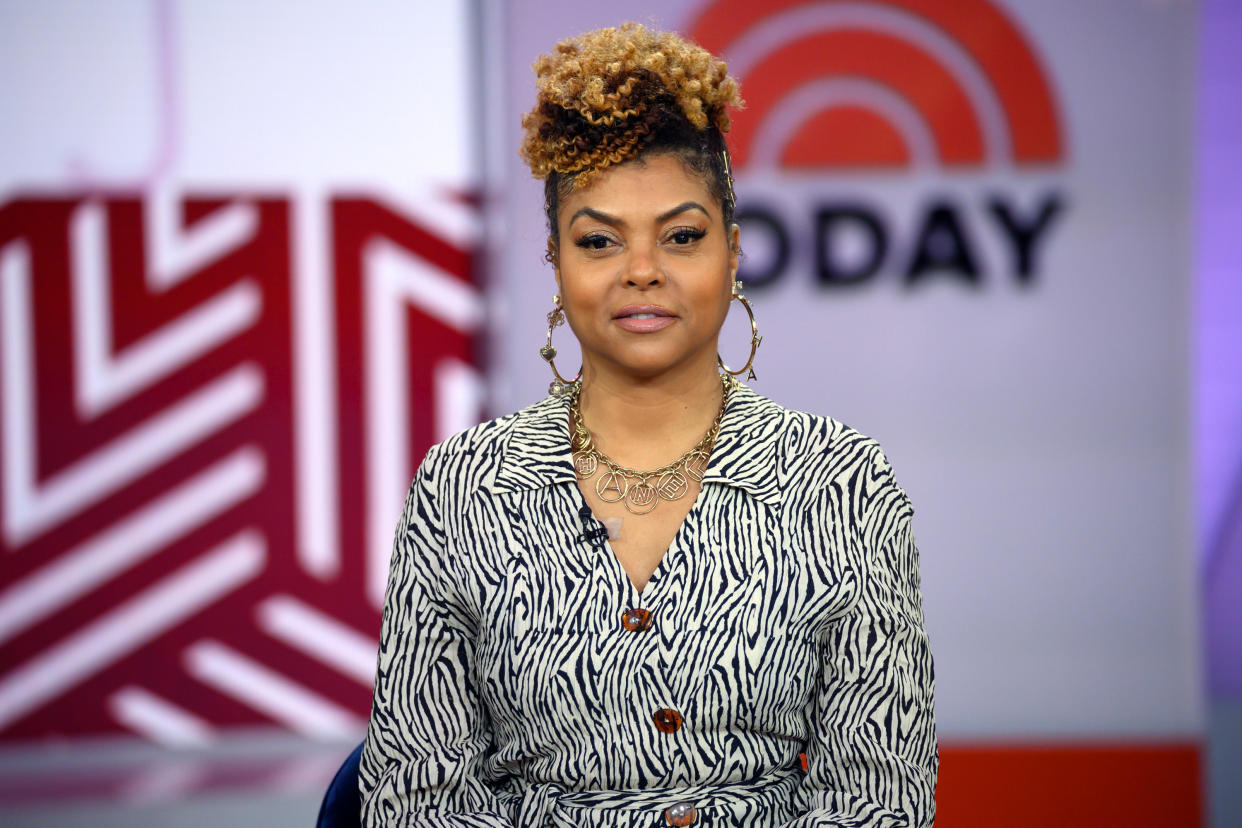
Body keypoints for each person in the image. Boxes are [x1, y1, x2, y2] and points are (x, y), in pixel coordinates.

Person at [359, 22, 936, 827]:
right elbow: (414, 802)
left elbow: (880, 804)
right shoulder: (464, 487)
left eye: (682, 237)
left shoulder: (842, 483)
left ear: (732, 254)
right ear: (557, 263)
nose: (641, 270)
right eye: (599, 240)